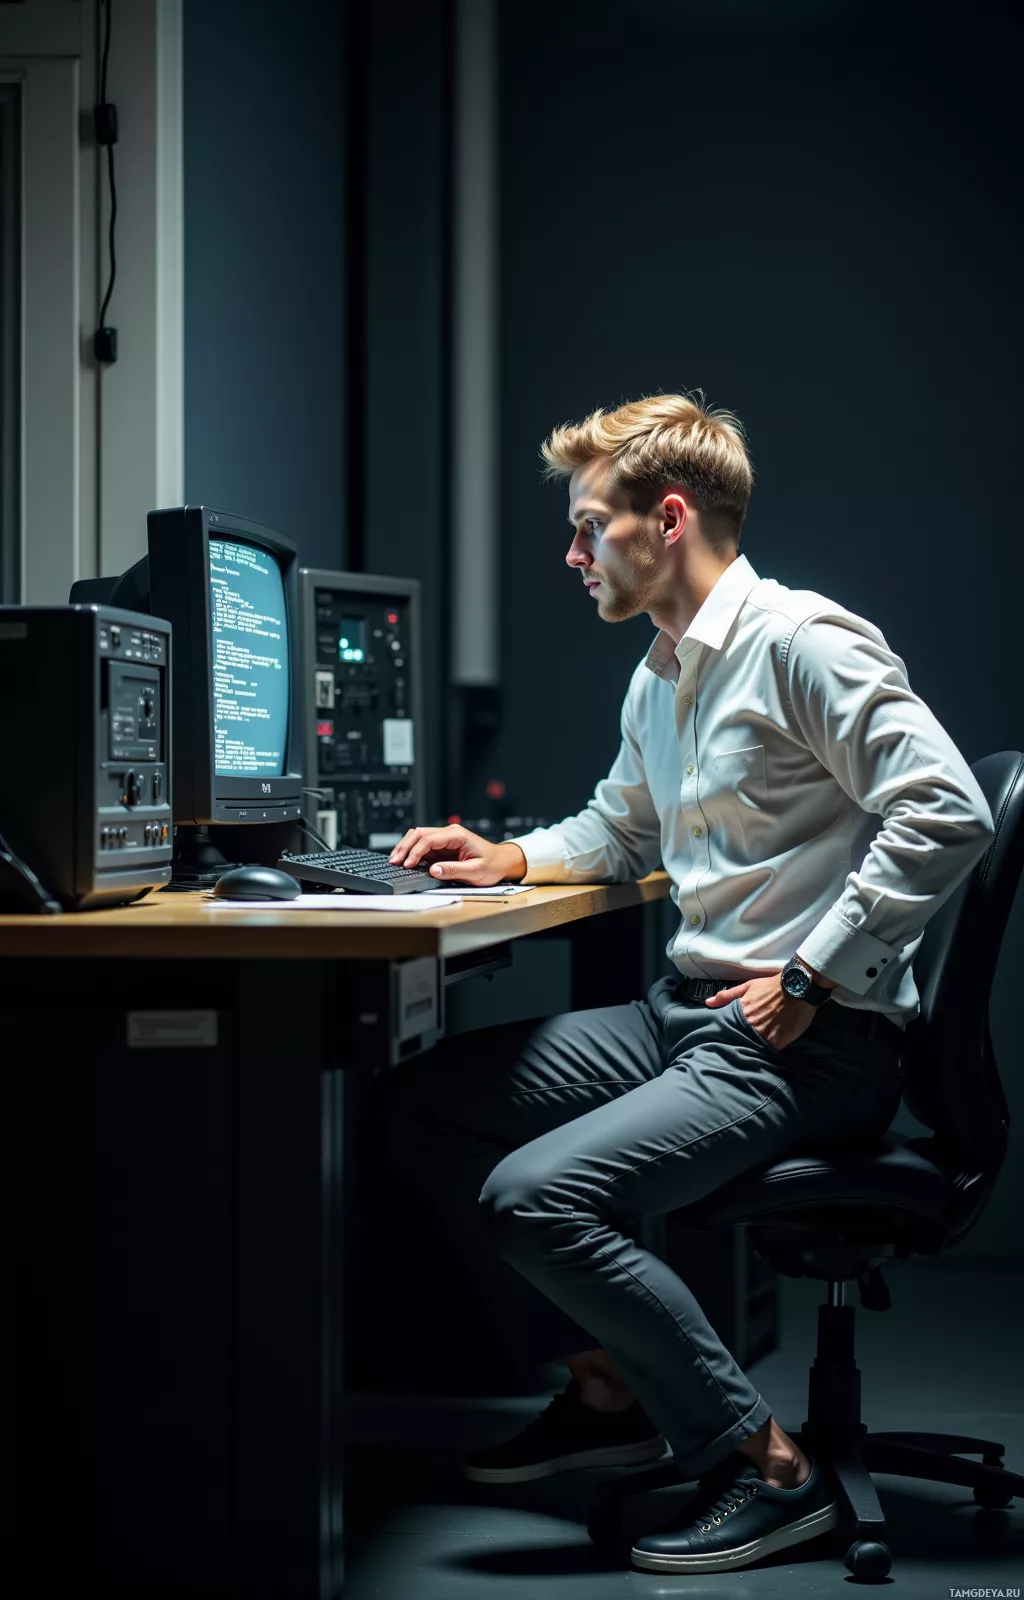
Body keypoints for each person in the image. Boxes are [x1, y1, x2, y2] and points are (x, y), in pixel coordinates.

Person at [381, 392, 995, 1574]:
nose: (569, 555)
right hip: (686, 1017)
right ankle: (609, 1389)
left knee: (533, 1198)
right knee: (420, 1104)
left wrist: (815, 971)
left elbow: (947, 808)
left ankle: (769, 1466)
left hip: (802, 1044)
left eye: (585, 527)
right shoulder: (662, 670)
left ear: (667, 518)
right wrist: (506, 854)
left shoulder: (801, 641)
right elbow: (620, 827)